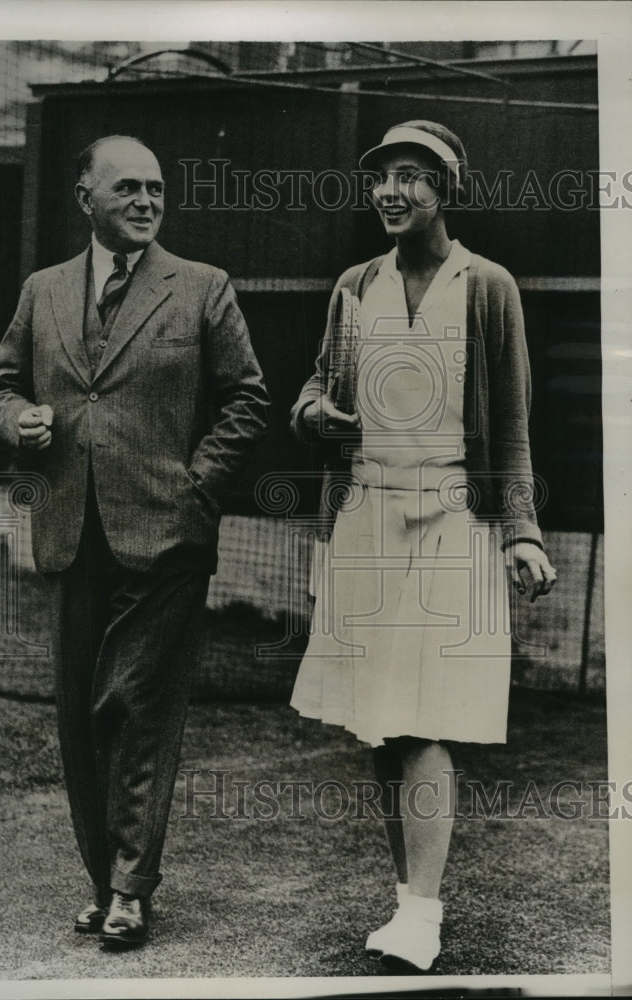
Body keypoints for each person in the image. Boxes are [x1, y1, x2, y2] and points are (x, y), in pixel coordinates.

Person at [0, 135, 270, 948]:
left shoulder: (203, 289)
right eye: (128, 189)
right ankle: (101, 879)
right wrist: (19, 422)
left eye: (156, 188)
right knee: (82, 712)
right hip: (74, 531)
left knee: (134, 703)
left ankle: (130, 888)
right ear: (85, 200)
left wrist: (195, 486)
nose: (147, 201)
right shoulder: (42, 293)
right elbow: (1, 387)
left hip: (166, 539)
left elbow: (247, 399)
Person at [289, 121, 556, 973]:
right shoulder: (353, 285)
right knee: (379, 724)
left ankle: (425, 913)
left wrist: (519, 531)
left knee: (429, 718)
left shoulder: (488, 287)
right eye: (381, 179)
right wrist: (312, 417)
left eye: (411, 176)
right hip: (362, 514)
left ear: (445, 189)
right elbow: (313, 387)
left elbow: (510, 423)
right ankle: (409, 903)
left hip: (452, 521)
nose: (391, 192)